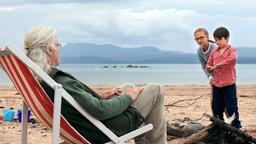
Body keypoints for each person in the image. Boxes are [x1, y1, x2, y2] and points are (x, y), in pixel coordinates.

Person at [23, 26, 167, 143]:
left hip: (84, 125)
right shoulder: (58, 82)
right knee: (156, 89)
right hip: (101, 130)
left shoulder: (39, 80)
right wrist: (129, 97)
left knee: (126, 86)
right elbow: (100, 111)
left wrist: (99, 96)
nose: (59, 48)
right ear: (49, 49)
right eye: (57, 45)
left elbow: (76, 104)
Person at [206, 27, 241, 129]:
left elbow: (232, 59)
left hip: (229, 85)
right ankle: (218, 127)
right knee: (217, 107)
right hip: (217, 84)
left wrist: (217, 66)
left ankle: (236, 128)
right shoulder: (214, 52)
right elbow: (208, 64)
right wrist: (210, 68)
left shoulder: (232, 50)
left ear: (227, 38)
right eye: (216, 40)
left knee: (231, 107)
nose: (218, 42)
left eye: (220, 39)